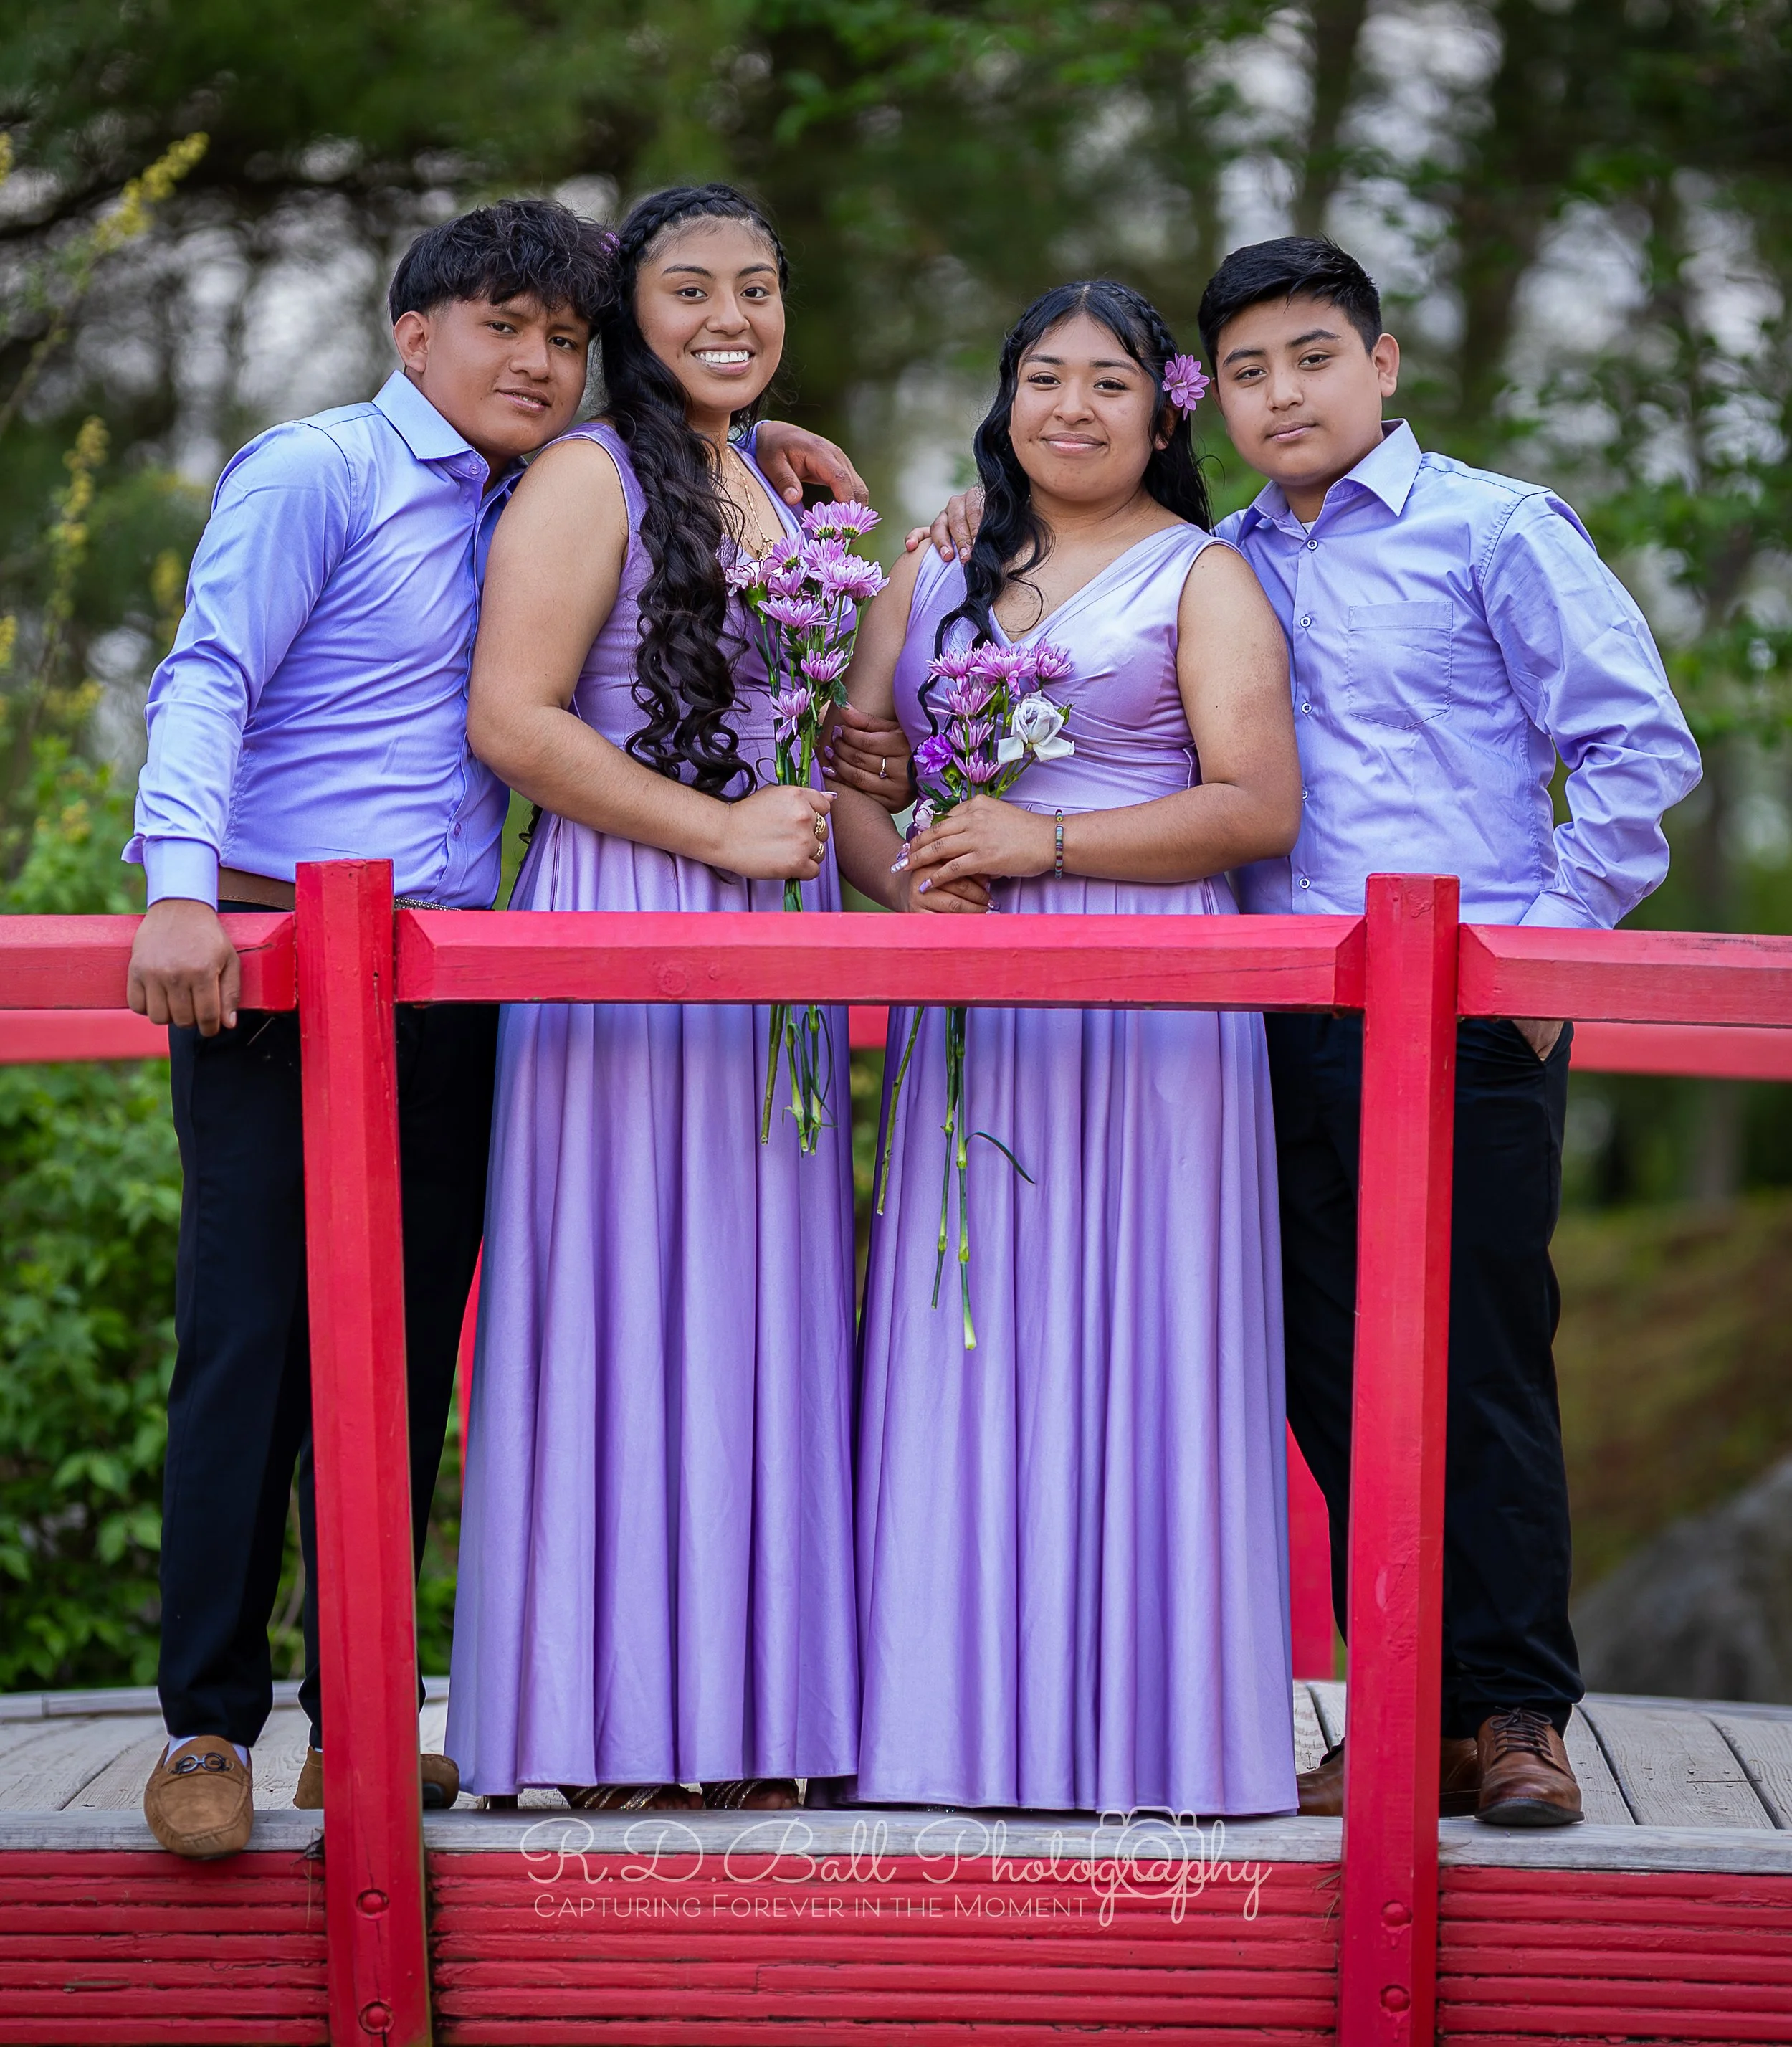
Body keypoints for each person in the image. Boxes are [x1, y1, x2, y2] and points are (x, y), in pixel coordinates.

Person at [912, 237, 1702, 1827]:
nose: (1284, 393)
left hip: (1464, 1009)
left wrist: (1539, 961)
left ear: (1382, 362)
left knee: (1478, 1357)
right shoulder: (1220, 556)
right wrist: (956, 516)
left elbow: (1632, 749)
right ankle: (1410, 1707)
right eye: (1252, 369)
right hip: (1265, 1008)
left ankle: (1519, 1707)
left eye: (1313, 357)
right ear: (1218, 394)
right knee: (1321, 1365)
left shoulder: (1493, 527)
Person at [125, 195, 877, 1861]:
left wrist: (741, 443)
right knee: (253, 1338)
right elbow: (206, 675)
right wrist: (178, 885)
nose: (533, 359)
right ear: (415, 335)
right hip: (272, 955)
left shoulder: (536, 487)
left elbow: (638, 602)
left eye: (559, 334)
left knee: (400, 1344)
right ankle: (204, 1724)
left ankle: (358, 1721)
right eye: (499, 328)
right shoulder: (317, 467)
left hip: (460, 969)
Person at [446, 184, 893, 1813]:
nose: (730, 313)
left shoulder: (758, 477)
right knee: (637, 1299)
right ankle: (611, 1718)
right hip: (631, 911)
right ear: (630, 312)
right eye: (691, 287)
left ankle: (749, 1709)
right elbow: (515, 714)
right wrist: (714, 830)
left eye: (759, 287)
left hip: (778, 927)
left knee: (758, 1307)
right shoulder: (585, 473)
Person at [832, 280, 1302, 1817]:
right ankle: (942, 1726)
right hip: (971, 1009)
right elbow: (857, 768)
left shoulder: (1205, 575)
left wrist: (1039, 839)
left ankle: (1150, 1732)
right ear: (1007, 395)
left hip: (1155, 1006)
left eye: (1108, 383)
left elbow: (1252, 806)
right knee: (964, 1330)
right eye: (1043, 379)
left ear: (1160, 411)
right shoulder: (937, 562)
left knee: (1142, 1333)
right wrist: (912, 869)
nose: (1071, 409)